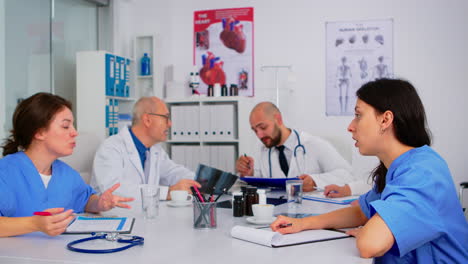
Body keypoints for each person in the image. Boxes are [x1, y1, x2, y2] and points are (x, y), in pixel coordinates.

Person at [271, 79, 468, 262]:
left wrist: (369, 230)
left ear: (385, 120)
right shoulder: (396, 168)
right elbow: (360, 212)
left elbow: (370, 245)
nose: (350, 126)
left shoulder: (423, 172)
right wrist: (302, 224)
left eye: (358, 115)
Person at [0, 93, 133, 237]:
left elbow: (84, 199)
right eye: (65, 126)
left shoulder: (66, 174)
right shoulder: (6, 173)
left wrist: (99, 203)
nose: (75, 132)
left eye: (73, 125)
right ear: (39, 132)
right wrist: (34, 224)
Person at [91, 96, 200, 213]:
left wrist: (199, 182)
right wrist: (168, 192)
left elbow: (173, 172)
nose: (170, 123)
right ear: (147, 120)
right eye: (166, 117)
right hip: (114, 219)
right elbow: (114, 190)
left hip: (143, 217)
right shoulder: (111, 147)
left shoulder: (155, 150)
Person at [236, 102, 353, 192]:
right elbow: (263, 183)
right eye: (255, 130)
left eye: (263, 127)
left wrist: (315, 181)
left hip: (313, 212)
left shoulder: (313, 144)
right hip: (278, 213)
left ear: (278, 119)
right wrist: (249, 174)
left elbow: (347, 175)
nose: (259, 135)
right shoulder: (262, 149)